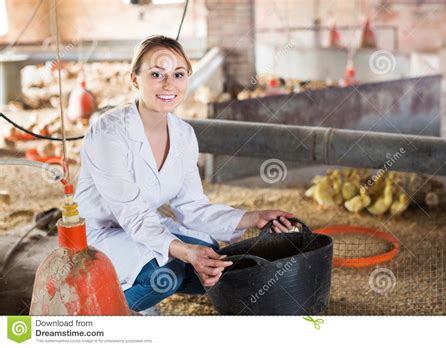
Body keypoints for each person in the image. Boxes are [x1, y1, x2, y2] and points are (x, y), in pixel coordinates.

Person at [75, 34, 294, 313]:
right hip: (98, 233)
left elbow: (191, 206)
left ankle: (137, 288)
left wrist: (253, 217)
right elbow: (132, 215)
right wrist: (185, 252)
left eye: (178, 74)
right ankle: (100, 315)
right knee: (167, 277)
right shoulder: (109, 131)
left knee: (216, 256)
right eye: (157, 74)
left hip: (145, 226)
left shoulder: (183, 135)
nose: (169, 84)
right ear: (134, 79)